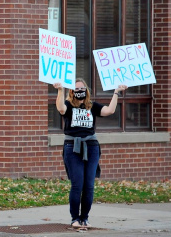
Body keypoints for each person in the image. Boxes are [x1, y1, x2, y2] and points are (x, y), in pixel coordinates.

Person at [53, 78, 127, 229]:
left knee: (89, 186)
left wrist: (116, 92)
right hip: (72, 147)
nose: (79, 92)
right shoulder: (68, 105)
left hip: (91, 147)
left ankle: (84, 218)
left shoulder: (91, 106)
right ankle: (75, 219)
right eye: (76, 89)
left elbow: (109, 110)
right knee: (77, 184)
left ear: (86, 91)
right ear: (72, 92)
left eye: (82, 89)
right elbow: (60, 108)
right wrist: (60, 90)